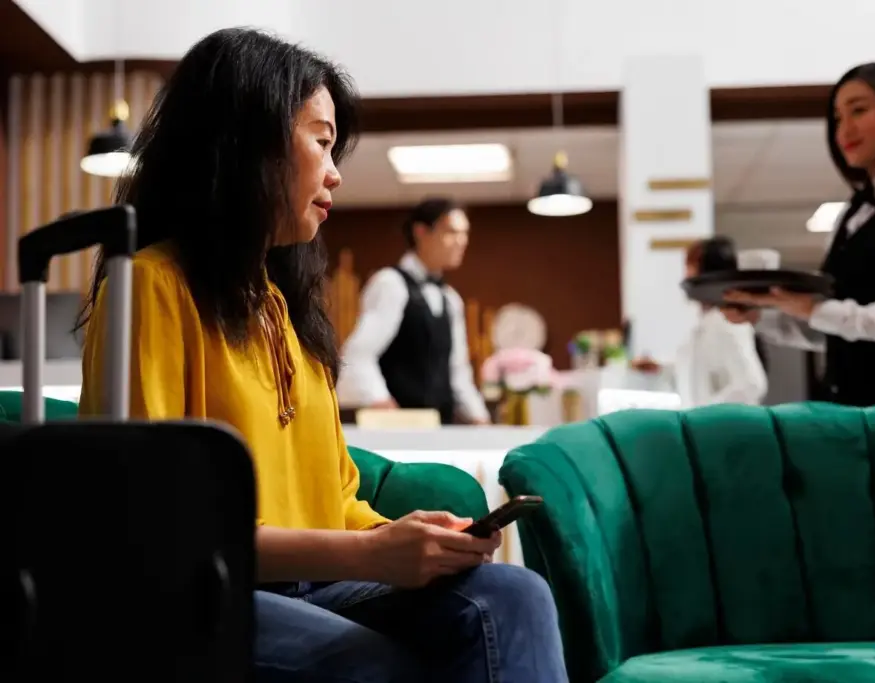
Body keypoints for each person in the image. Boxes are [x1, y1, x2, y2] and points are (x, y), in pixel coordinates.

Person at [76, 28, 566, 683]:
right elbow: (164, 529)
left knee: (516, 594)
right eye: (321, 141)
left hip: (316, 586)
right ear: (247, 143)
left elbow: (337, 499)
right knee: (376, 662)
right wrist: (370, 556)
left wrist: (402, 536)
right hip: (200, 597)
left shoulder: (285, 308)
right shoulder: (150, 287)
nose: (335, 173)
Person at [723, 62, 875, 407]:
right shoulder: (851, 214)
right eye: (837, 118)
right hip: (847, 414)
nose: (845, 129)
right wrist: (761, 316)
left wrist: (816, 309)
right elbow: (836, 332)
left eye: (859, 110)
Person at [337, 198, 491, 425]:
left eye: (464, 233)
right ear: (421, 232)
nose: (462, 241)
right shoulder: (390, 284)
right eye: (451, 232)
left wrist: (481, 419)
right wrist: (380, 401)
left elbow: (458, 372)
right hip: (399, 432)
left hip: (441, 429)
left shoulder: (451, 299)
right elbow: (358, 354)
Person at [632, 236, 768, 407]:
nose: (686, 277)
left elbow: (752, 385)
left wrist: (702, 416)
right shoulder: (709, 322)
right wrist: (661, 368)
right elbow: (700, 373)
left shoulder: (727, 324)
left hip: (715, 424)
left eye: (690, 269)